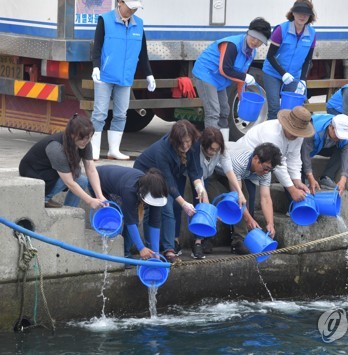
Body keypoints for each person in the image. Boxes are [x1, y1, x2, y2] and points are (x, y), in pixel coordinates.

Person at [90, 0, 156, 161]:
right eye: (130, 7)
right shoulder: (105, 20)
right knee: (99, 113)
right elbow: (97, 46)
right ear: (120, 3)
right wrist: (96, 67)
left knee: (121, 114)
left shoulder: (138, 25)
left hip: (125, 77)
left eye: (135, 8)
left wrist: (149, 74)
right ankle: (92, 149)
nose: (132, 11)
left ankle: (114, 149)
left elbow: (143, 53)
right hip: (105, 75)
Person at [134, 120, 208, 263]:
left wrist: (200, 187)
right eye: (182, 143)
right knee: (164, 207)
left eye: (188, 142)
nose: (186, 146)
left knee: (172, 207)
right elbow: (168, 182)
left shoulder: (194, 143)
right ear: (174, 140)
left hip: (171, 174)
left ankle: (168, 248)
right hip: (146, 173)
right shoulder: (162, 150)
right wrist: (184, 203)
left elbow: (194, 169)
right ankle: (156, 249)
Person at [192, 17, 272, 141]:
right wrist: (244, 76)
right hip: (206, 74)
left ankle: (223, 142)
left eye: (260, 41)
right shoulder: (232, 45)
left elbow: (241, 77)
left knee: (225, 110)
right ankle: (211, 146)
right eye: (253, 37)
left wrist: (242, 98)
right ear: (248, 32)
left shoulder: (252, 52)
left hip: (220, 79)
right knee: (213, 112)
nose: (255, 42)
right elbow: (225, 69)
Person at [208, 143, 282, 254]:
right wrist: (249, 219)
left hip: (234, 175)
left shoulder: (266, 171)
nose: (266, 172)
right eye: (265, 168)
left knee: (245, 197)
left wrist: (270, 223)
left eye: (270, 170)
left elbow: (266, 198)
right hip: (213, 170)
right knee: (215, 200)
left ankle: (239, 241)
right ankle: (207, 238)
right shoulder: (240, 162)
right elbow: (237, 196)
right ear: (256, 158)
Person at [19, 114, 106, 209]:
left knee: (82, 180)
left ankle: (70, 210)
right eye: (82, 138)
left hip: (51, 171)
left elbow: (91, 169)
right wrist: (90, 201)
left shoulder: (85, 143)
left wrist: (100, 196)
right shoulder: (56, 148)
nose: (85, 141)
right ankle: (44, 198)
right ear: (71, 135)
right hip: (34, 172)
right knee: (72, 176)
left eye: (89, 137)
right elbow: (69, 182)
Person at [232, 105, 314, 204]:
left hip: (261, 167)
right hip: (243, 162)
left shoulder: (299, 136)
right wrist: (292, 190)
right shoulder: (272, 133)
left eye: (298, 133)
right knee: (245, 199)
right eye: (293, 132)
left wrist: (297, 181)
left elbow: (294, 158)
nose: (295, 136)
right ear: (285, 125)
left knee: (252, 200)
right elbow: (278, 165)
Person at [190, 127, 246, 259]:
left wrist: (239, 192)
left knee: (214, 201)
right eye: (210, 149)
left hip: (207, 177)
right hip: (194, 178)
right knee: (201, 204)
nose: (212, 152)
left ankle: (208, 238)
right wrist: (208, 208)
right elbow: (199, 180)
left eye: (216, 149)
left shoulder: (221, 151)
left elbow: (229, 171)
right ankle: (197, 242)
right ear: (203, 145)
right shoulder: (195, 151)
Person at [96, 165, 168, 260]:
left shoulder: (158, 193)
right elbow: (130, 221)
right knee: (114, 218)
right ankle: (118, 255)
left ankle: (125, 253)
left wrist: (156, 253)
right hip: (98, 181)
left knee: (134, 218)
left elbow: (155, 222)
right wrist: (141, 248)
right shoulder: (130, 190)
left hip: (119, 183)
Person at [263, 0, 316, 120]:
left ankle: (286, 136)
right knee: (274, 107)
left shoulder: (312, 34)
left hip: (294, 76)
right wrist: (283, 73)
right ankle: (271, 137)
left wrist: (303, 80)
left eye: (306, 14)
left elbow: (308, 60)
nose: (302, 16)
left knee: (291, 110)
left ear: (310, 16)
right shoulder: (281, 29)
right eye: (299, 12)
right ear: (293, 13)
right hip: (273, 73)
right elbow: (270, 56)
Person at [301, 114, 348, 194]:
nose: (339, 138)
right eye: (337, 134)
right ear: (330, 126)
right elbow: (305, 153)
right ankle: (304, 177)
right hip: (310, 145)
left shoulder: (346, 132)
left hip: (327, 147)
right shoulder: (313, 128)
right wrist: (310, 176)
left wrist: (343, 179)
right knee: (300, 154)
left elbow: (346, 154)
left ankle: (327, 177)